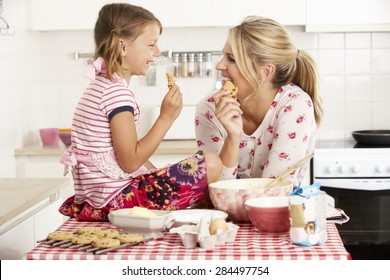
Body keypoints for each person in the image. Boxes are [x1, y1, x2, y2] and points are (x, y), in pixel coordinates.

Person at [58, 3, 222, 221]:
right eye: (151, 44)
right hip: (115, 201)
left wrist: (157, 176)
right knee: (211, 164)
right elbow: (130, 162)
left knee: (186, 177)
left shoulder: (100, 86)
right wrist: (166, 118)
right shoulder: (116, 94)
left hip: (98, 199)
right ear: (123, 47)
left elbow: (126, 159)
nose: (157, 52)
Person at [195, 16, 323, 187]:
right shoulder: (209, 108)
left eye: (231, 59)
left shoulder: (294, 105)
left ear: (265, 71)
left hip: (278, 211)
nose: (219, 65)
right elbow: (215, 191)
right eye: (223, 56)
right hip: (223, 213)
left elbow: (274, 191)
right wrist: (232, 138)